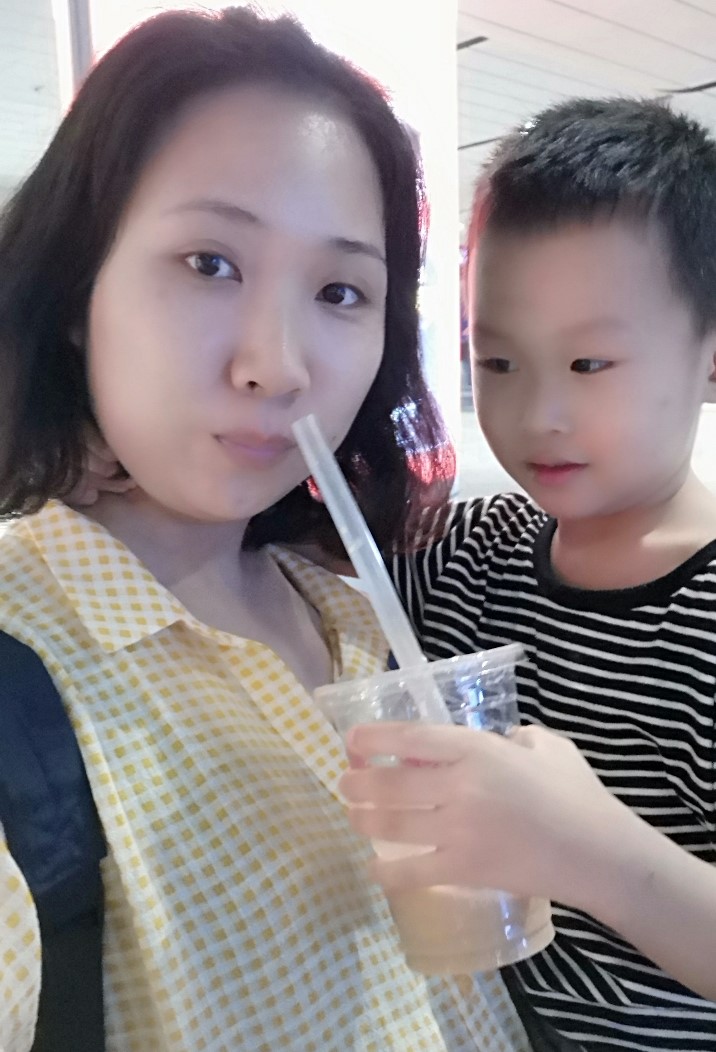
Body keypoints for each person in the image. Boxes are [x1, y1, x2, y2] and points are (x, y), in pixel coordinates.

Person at [0, 8, 530, 1051]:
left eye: (340, 290)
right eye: (209, 262)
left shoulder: (349, 611)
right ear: (75, 289)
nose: (277, 365)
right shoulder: (24, 672)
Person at [340, 98, 716, 1052]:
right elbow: (288, 576)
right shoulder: (465, 552)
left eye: (589, 362)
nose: (539, 411)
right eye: (498, 361)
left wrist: (589, 853)